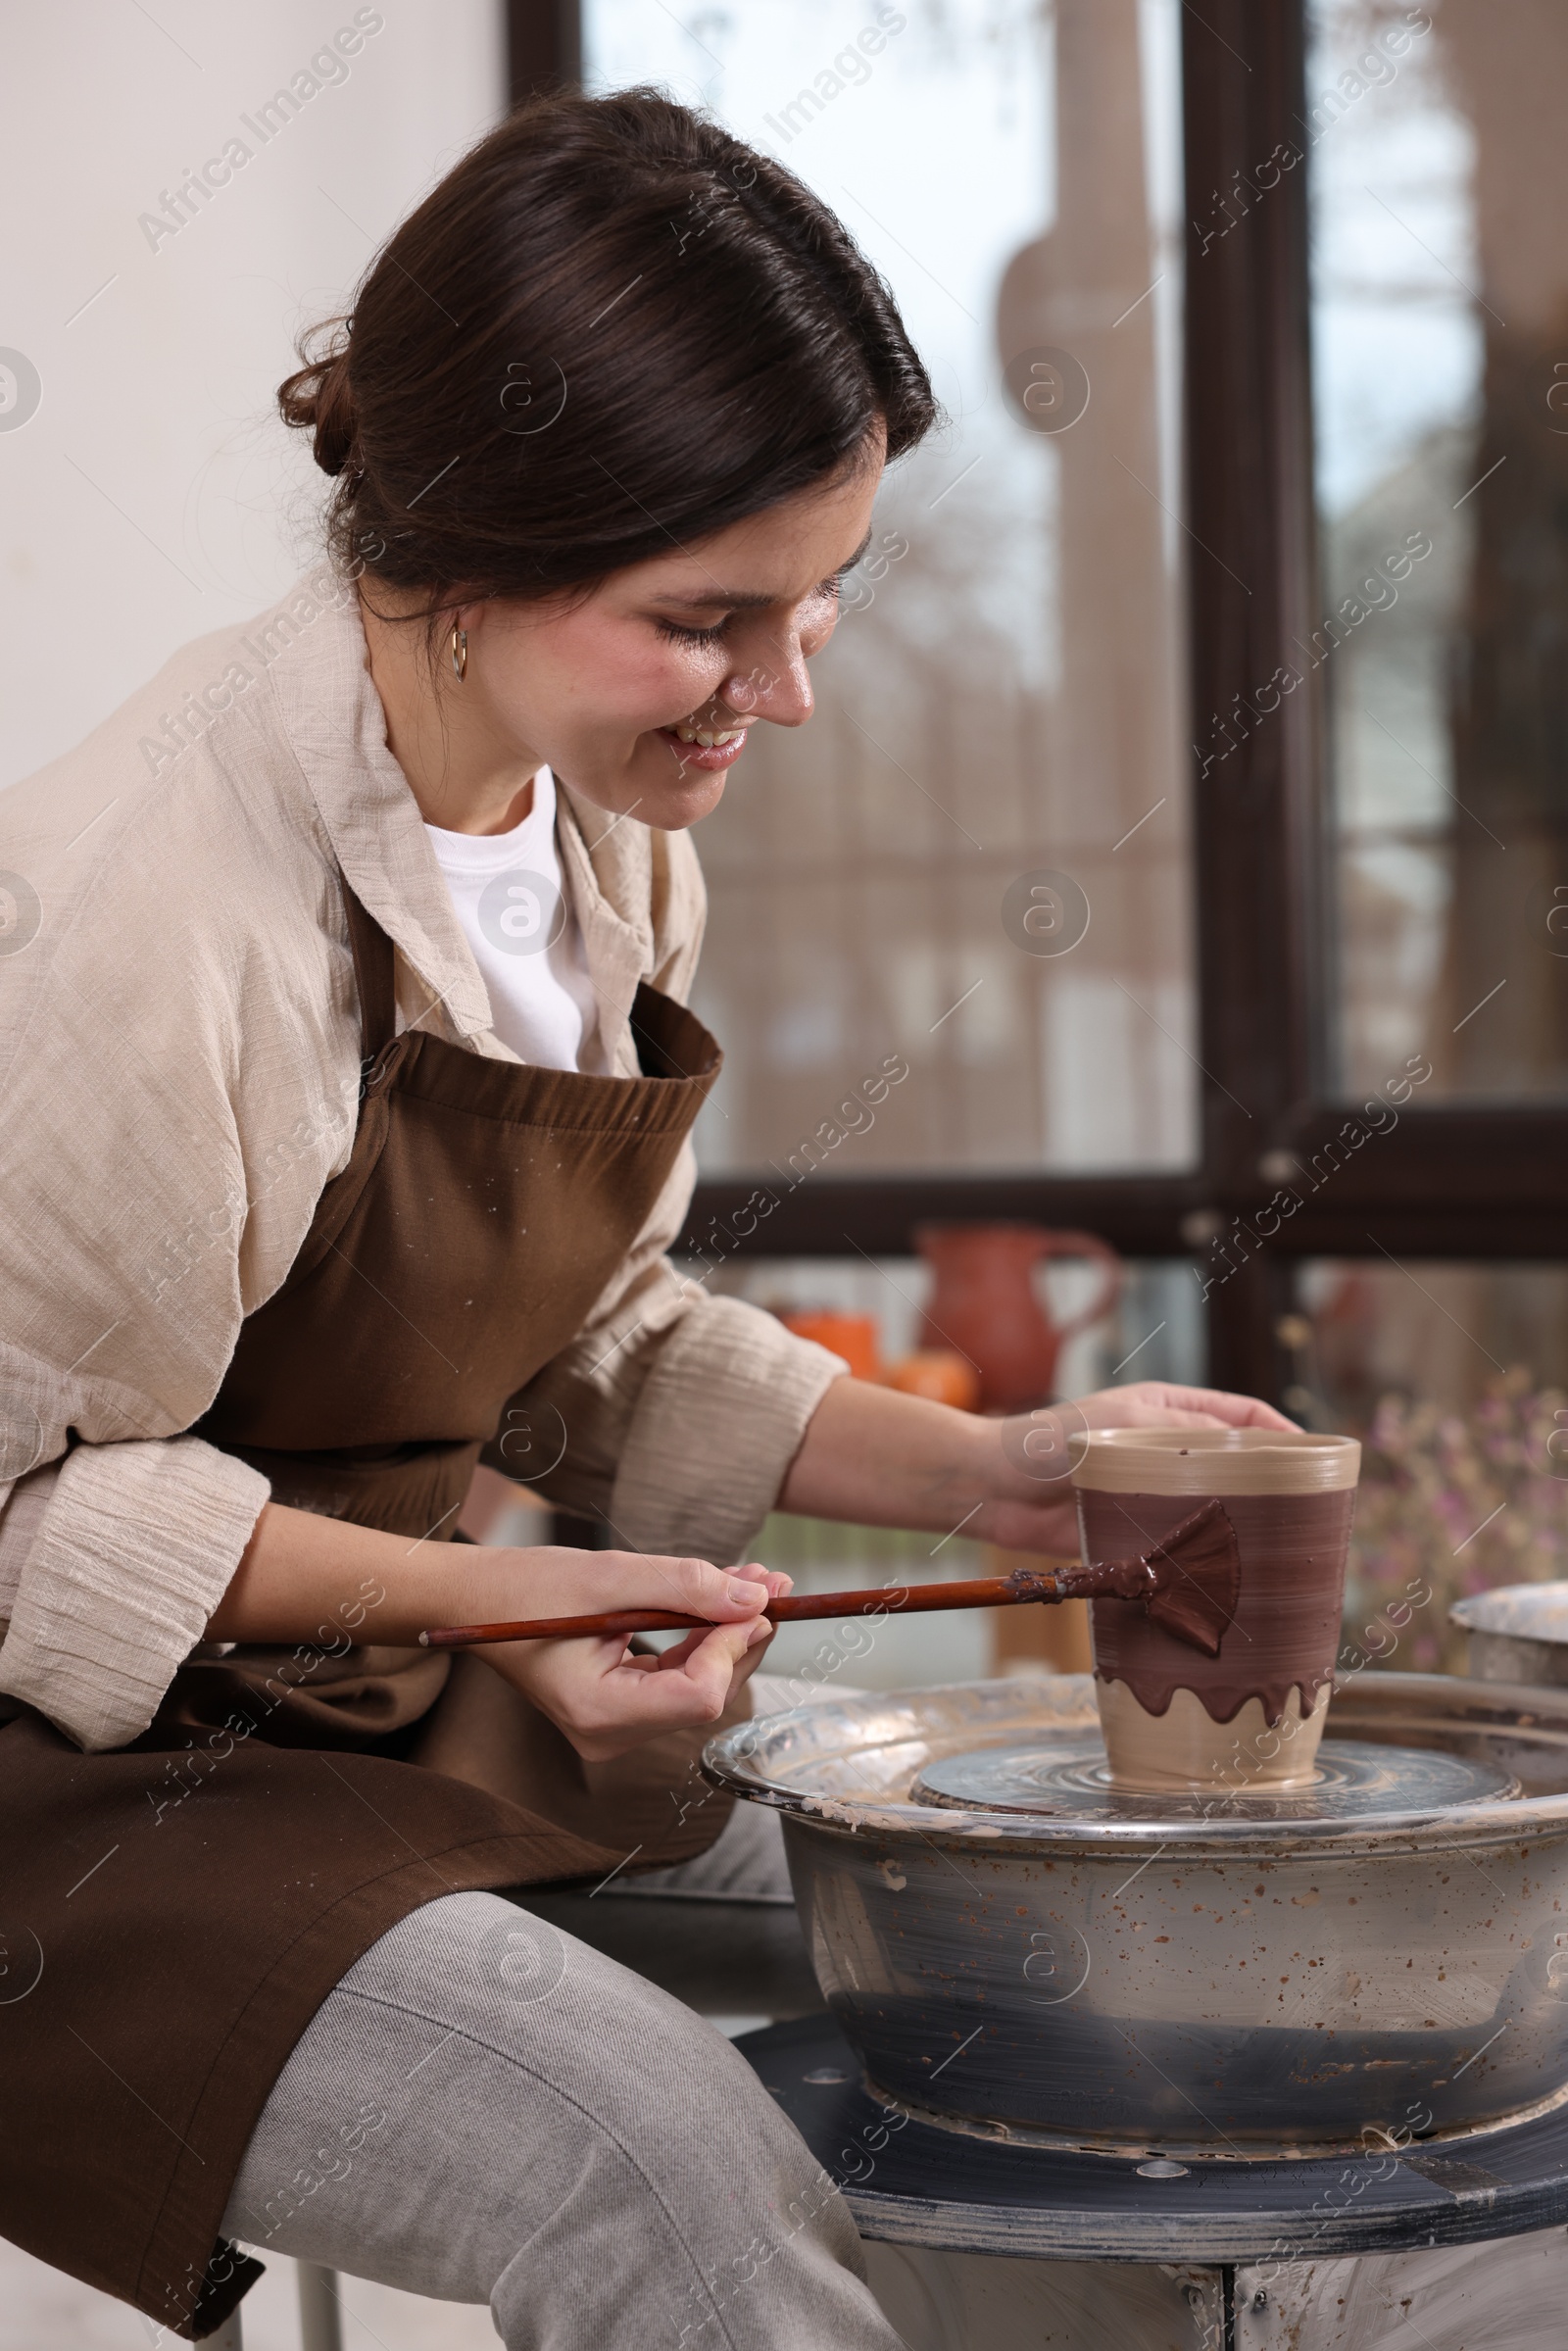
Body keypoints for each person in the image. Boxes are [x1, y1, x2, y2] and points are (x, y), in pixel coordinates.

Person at [0, 87, 1293, 2347]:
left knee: (1056, 1934)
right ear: (470, 549)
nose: (782, 695)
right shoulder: (140, 920)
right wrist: (513, 1599)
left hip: (375, 1693)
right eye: (709, 621)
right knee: (653, 2164)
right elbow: (20, 1518)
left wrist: (996, 1479)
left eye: (817, 607)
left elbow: (584, 1334)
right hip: (69, 1807)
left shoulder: (584, 826)